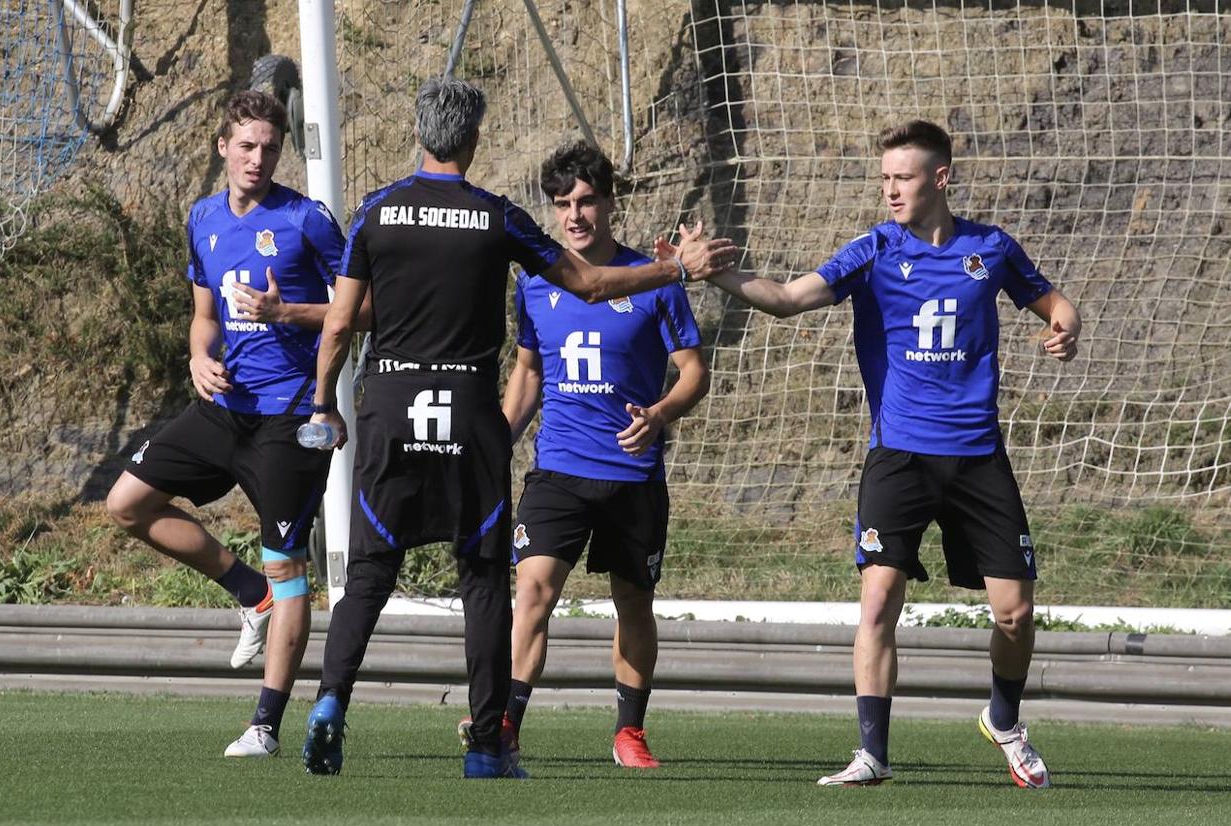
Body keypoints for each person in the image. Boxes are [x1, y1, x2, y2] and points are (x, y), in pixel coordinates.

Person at [300, 76, 736, 779]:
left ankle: (329, 702)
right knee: (483, 578)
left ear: (418, 134)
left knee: (372, 571)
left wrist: (323, 406)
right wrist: (674, 268)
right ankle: (485, 747)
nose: (574, 212)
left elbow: (342, 325)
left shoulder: (376, 211)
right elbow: (584, 290)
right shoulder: (496, 219)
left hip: (389, 400)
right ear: (473, 139)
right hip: (472, 410)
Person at [697, 120, 1081, 788]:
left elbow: (1053, 304)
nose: (890, 189)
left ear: (939, 178)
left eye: (902, 177)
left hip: (976, 457)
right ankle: (871, 752)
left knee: (1014, 614)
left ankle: (1003, 720)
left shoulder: (989, 249)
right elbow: (788, 299)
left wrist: (1064, 328)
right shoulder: (873, 250)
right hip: (898, 455)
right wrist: (720, 277)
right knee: (877, 600)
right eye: (884, 178)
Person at [106, 90, 348, 759]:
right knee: (126, 504)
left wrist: (288, 313)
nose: (257, 157)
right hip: (224, 409)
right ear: (222, 148)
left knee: (287, 566)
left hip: (291, 415)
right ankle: (248, 596)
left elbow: (361, 312)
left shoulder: (308, 220)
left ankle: (265, 725)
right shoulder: (203, 217)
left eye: (269, 147)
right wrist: (196, 357)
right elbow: (204, 314)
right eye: (246, 145)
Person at [456, 140, 709, 768]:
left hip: (632, 474)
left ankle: (630, 731)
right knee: (534, 589)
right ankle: (506, 724)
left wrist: (659, 414)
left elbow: (692, 372)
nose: (575, 214)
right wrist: (496, 442)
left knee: (633, 601)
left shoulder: (653, 281)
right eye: (563, 203)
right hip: (559, 470)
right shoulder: (536, 285)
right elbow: (528, 375)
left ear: (609, 203)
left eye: (587, 200)